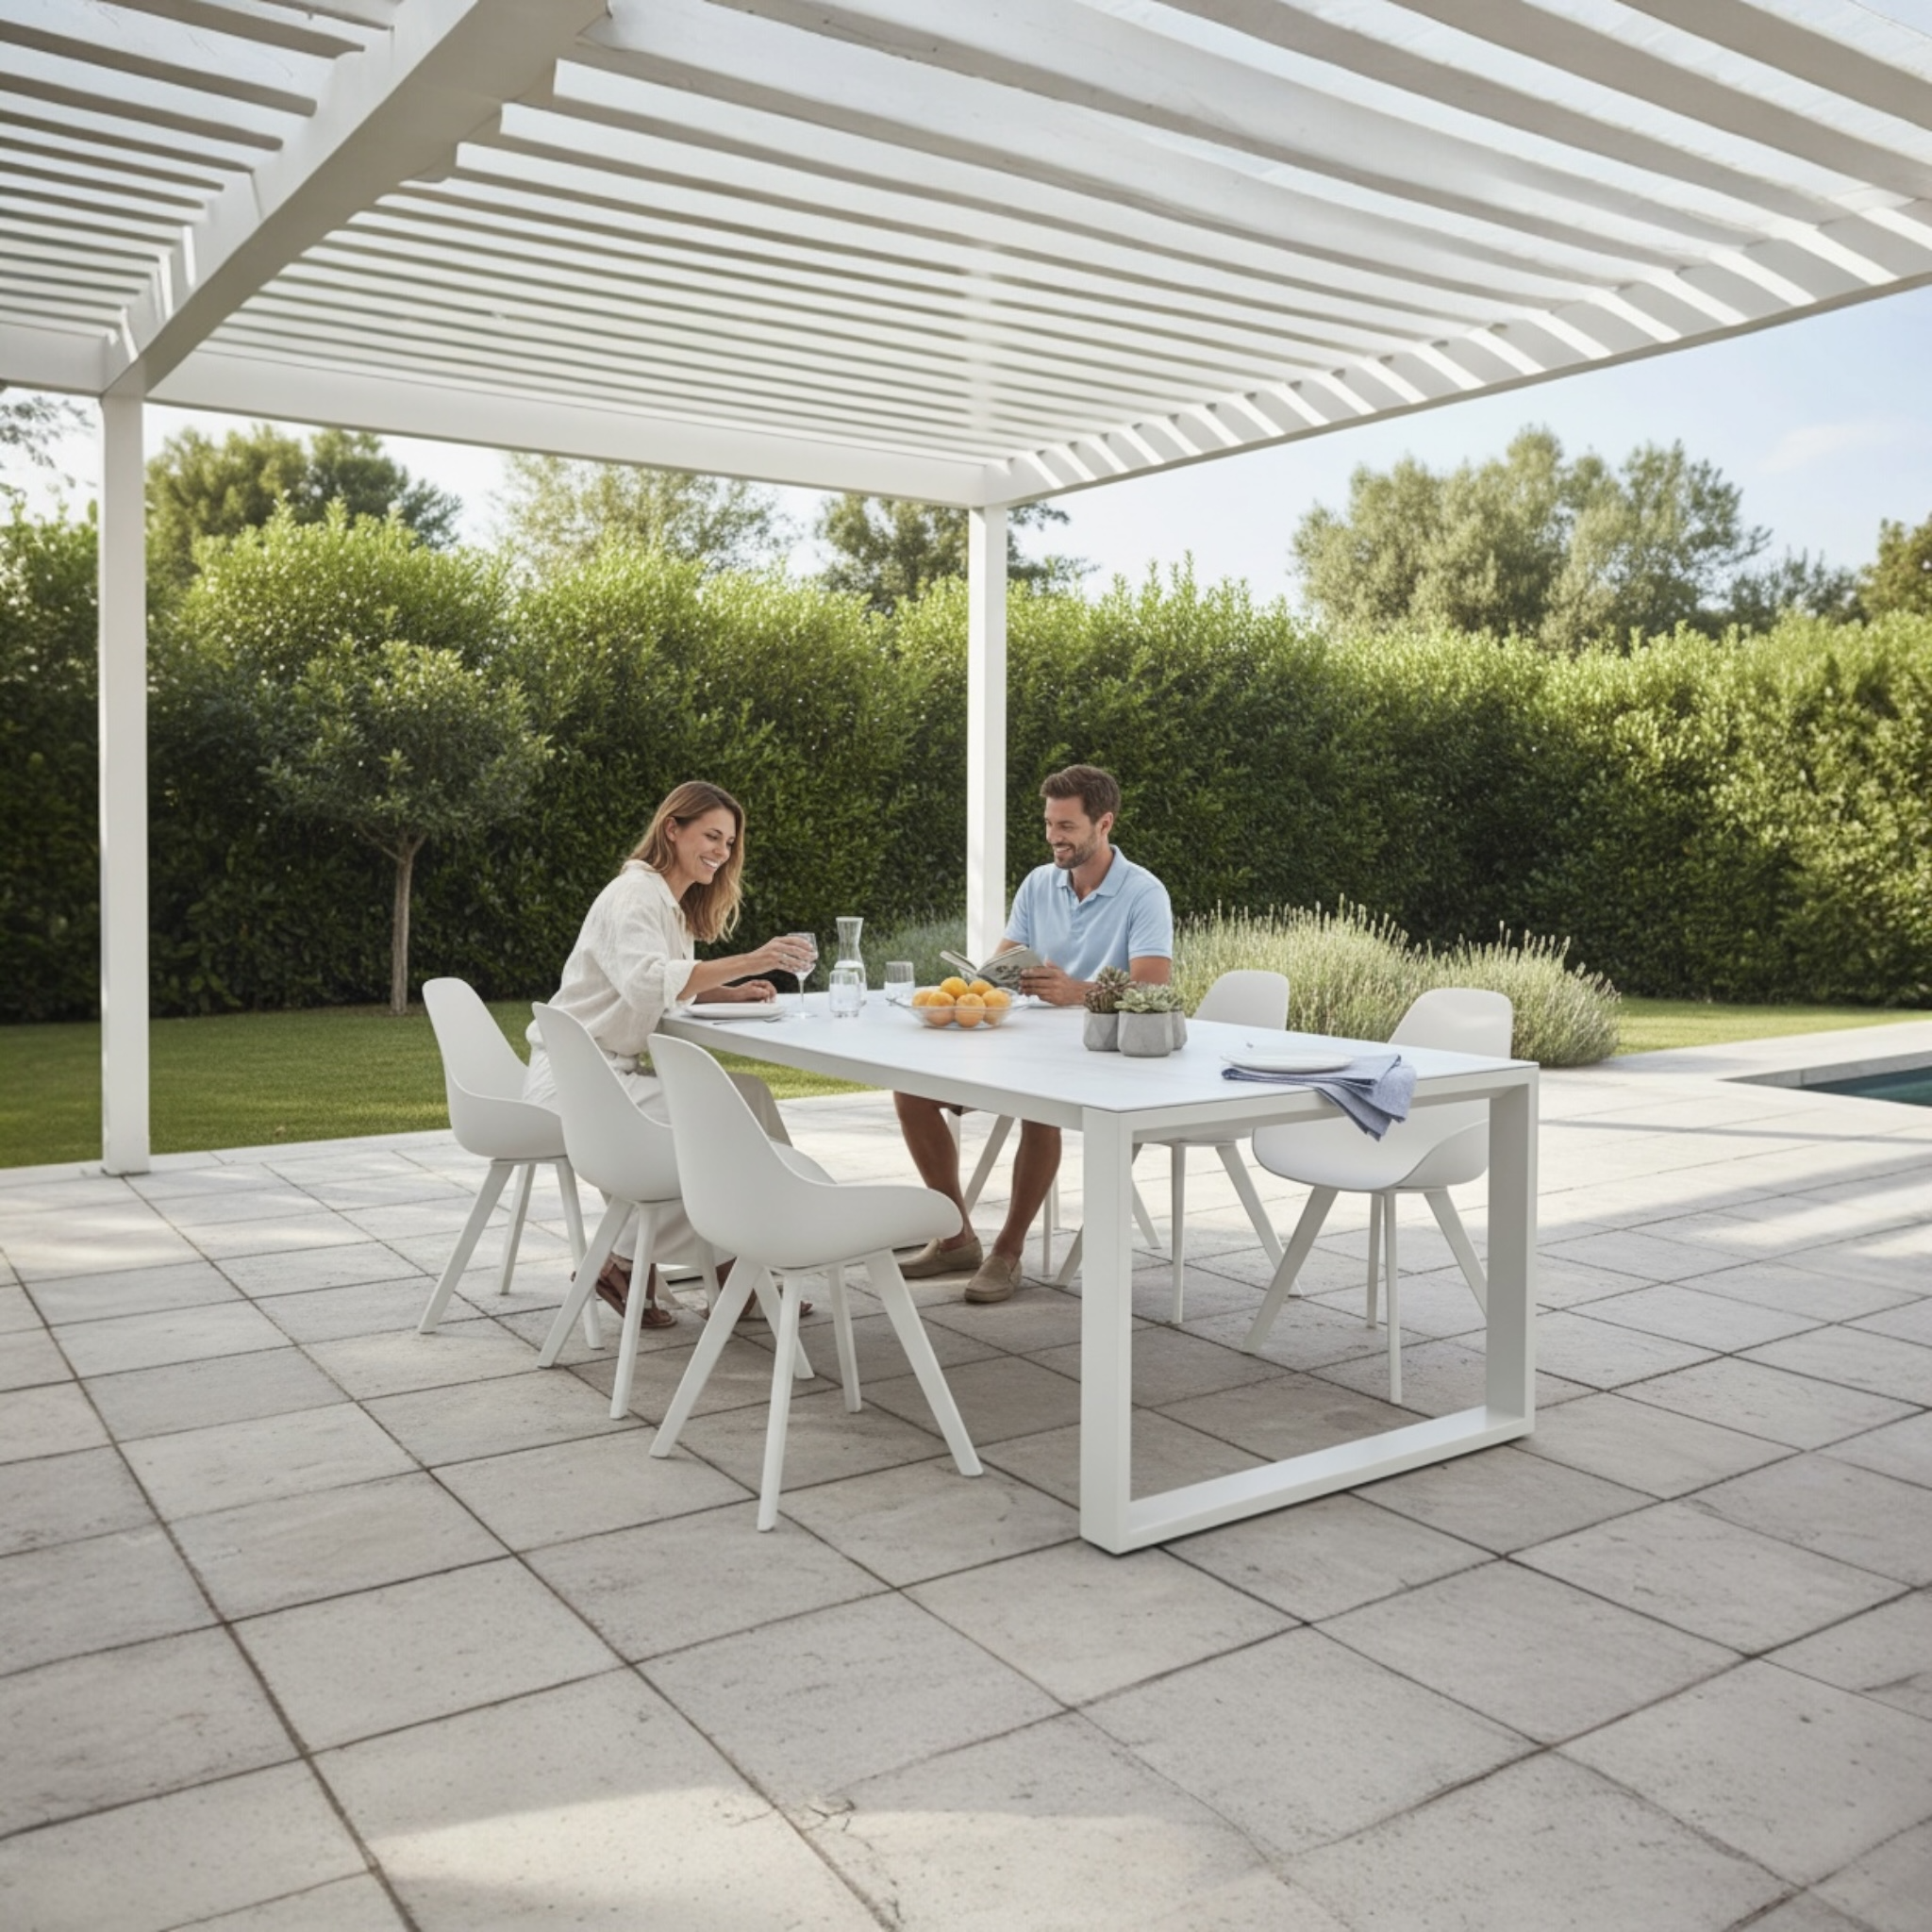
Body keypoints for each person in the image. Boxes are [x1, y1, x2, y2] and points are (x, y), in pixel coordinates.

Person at [523, 780, 812, 1327]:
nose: (722, 852)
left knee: (749, 1096)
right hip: (580, 1085)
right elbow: (647, 983)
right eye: (711, 836)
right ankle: (668, 1264)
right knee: (723, 1130)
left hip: (608, 1078)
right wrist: (755, 960)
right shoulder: (634, 894)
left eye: (729, 842)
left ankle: (758, 1252)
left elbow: (658, 983)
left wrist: (726, 993)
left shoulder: (667, 905)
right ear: (672, 829)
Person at [895, 764, 1173, 1304]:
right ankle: (956, 1239)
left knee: (1037, 1103)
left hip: (1102, 1052)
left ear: (1104, 824)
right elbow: (999, 966)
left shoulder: (1144, 893)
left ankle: (1007, 1251)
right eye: (1048, 824)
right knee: (912, 1091)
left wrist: (1076, 991)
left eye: (1066, 826)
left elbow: (1152, 989)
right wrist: (979, 985)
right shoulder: (1039, 883)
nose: (1053, 837)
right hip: (1027, 1043)